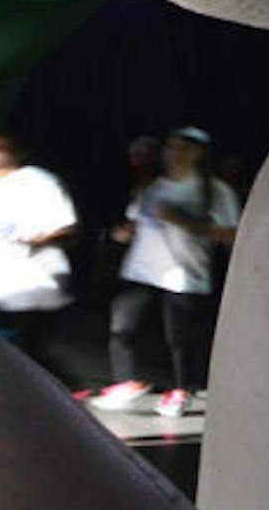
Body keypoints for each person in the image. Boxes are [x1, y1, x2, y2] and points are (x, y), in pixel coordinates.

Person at [92, 126, 240, 417]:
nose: (173, 153)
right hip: (142, 270)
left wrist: (185, 221)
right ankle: (127, 383)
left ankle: (181, 390)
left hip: (183, 275)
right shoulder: (154, 186)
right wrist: (125, 232)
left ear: (198, 153)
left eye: (181, 147)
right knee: (122, 329)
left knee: (179, 338)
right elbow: (137, 220)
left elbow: (233, 233)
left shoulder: (215, 190)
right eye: (170, 147)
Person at [0, 133, 79, 378]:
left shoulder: (37, 182)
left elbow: (66, 227)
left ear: (15, 154)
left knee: (26, 352)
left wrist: (40, 238)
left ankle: (55, 391)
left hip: (30, 281)